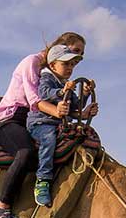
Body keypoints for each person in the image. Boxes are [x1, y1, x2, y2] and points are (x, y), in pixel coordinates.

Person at [0, 32, 86, 218]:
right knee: (25, 152)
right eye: (74, 52)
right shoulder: (31, 62)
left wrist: (81, 110)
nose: (76, 60)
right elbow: (35, 101)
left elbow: (63, 105)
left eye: (80, 55)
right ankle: (2, 211)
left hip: (35, 120)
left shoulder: (55, 75)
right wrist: (59, 113)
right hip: (12, 118)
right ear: (61, 47)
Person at [30, 43, 98, 207]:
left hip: (60, 124)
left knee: (85, 135)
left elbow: (76, 106)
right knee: (49, 139)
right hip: (42, 123)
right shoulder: (47, 78)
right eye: (65, 64)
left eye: (72, 64)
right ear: (53, 65)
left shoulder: (66, 83)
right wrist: (61, 92)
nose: (70, 68)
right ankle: (43, 180)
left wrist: (86, 93)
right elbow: (43, 93)